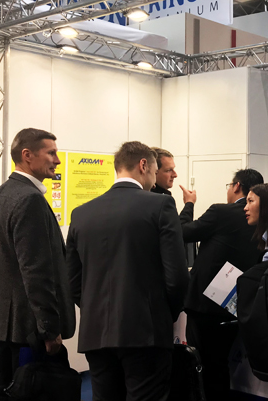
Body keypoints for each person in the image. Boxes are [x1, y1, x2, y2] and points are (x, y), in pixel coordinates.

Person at [66, 141, 189, 401]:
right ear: (143, 165)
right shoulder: (161, 206)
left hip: (95, 332)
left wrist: (96, 308)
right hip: (146, 332)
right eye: (155, 171)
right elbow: (177, 277)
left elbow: (73, 281)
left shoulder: (81, 213)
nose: (154, 178)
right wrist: (164, 314)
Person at [0, 128, 76, 401]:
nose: (57, 160)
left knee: (5, 390)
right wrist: (49, 330)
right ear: (27, 155)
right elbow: (35, 271)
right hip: (29, 329)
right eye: (51, 153)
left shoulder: (0, 194)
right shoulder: (30, 199)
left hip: (8, 324)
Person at [178, 168, 264, 400]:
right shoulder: (263, 220)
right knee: (219, 365)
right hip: (236, 304)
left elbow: (182, 232)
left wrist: (189, 204)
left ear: (237, 186)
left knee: (199, 364)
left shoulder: (221, 212)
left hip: (204, 306)